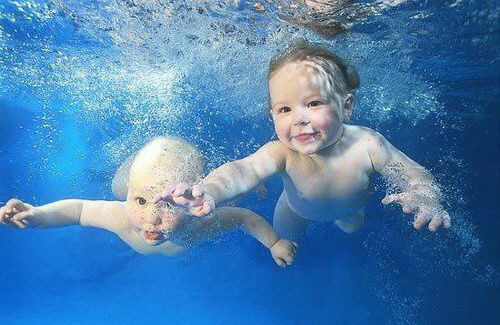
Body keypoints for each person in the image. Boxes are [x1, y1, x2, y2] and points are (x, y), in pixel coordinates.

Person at [157, 41, 451, 240]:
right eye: (285, 109)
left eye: (313, 103)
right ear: (272, 115)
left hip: (349, 208)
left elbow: (412, 171)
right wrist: (208, 191)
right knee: (286, 239)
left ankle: (342, 221)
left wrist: (425, 195)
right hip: (295, 209)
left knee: (351, 228)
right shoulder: (281, 153)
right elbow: (242, 170)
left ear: (346, 106)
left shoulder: (367, 144)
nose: (299, 118)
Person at [0, 137, 298, 266]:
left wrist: (273, 242)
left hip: (200, 199)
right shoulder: (120, 216)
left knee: (229, 195)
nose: (151, 218)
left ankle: (251, 182)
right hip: (133, 182)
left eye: (168, 205)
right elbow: (77, 210)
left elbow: (244, 217)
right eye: (140, 201)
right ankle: (133, 165)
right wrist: (37, 215)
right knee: (117, 187)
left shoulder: (201, 221)